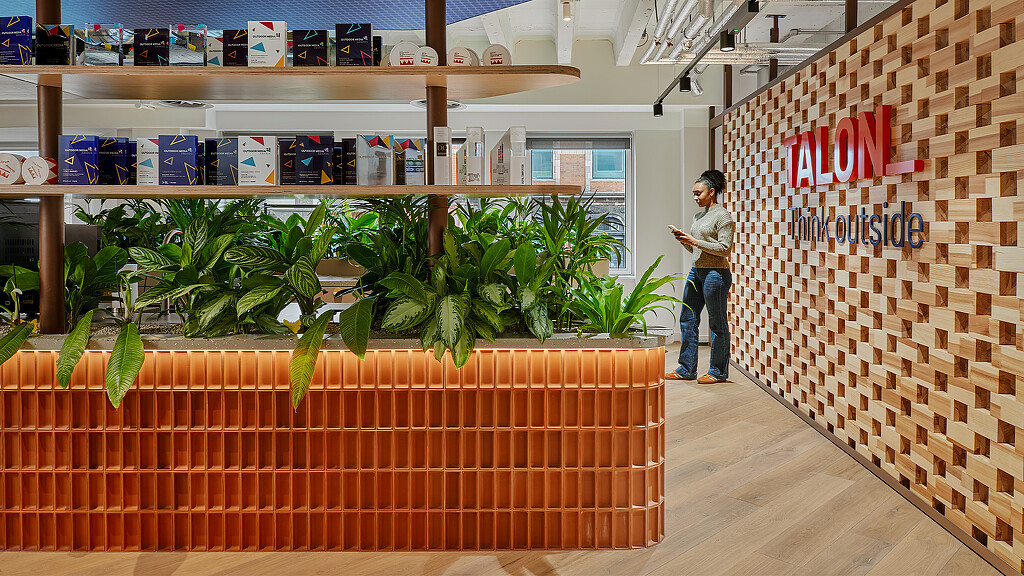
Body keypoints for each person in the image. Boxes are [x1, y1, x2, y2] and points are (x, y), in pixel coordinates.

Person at [666, 169, 735, 384]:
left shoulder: (723, 215)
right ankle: (686, 368)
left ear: (712, 192)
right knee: (687, 318)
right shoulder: (698, 216)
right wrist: (685, 241)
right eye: (694, 194)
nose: (695, 198)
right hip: (696, 271)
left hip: (717, 274)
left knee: (717, 322)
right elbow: (699, 251)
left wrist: (695, 241)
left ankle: (718, 371)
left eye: (699, 193)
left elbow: (724, 249)